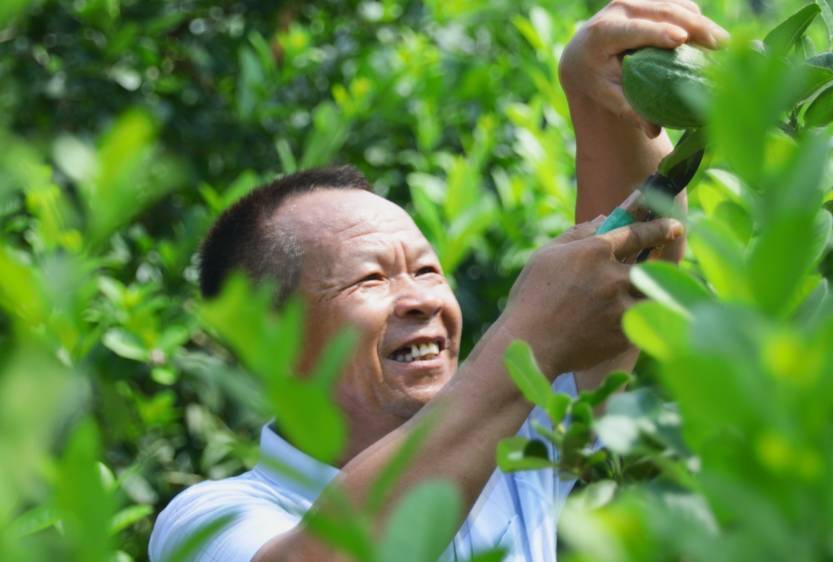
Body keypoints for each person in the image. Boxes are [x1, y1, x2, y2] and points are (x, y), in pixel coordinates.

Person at [149, 1, 728, 561]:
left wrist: (599, 86)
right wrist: (531, 335)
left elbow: (631, 270)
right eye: (371, 278)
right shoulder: (213, 520)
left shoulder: (510, 450)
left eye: (427, 269)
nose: (422, 299)